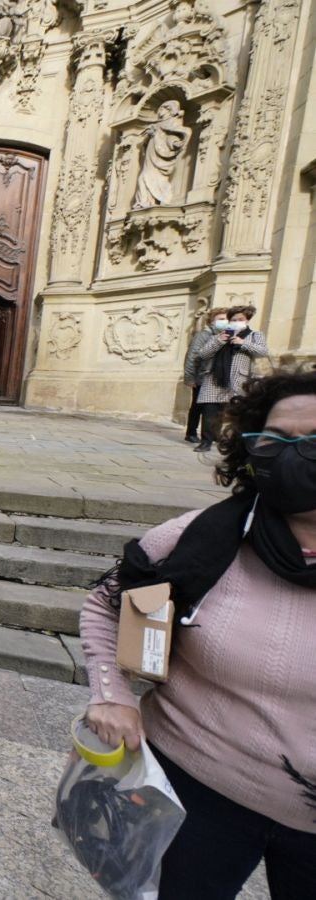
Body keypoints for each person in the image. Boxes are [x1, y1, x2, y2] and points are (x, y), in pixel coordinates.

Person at [81, 369, 316, 899]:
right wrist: (113, 695)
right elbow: (109, 604)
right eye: (275, 440)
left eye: (314, 441)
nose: (295, 454)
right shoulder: (201, 539)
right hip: (196, 784)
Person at [194, 304, 268, 453]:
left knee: (236, 413)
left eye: (240, 319)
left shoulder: (255, 335)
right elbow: (203, 354)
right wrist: (219, 340)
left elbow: (262, 351)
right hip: (215, 377)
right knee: (209, 410)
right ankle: (206, 441)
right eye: (233, 320)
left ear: (247, 320)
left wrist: (243, 343)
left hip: (238, 379)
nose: (236, 322)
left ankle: (234, 442)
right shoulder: (218, 336)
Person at [182, 307, 230, 443]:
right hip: (201, 376)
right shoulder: (204, 335)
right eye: (221, 319)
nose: (224, 322)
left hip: (218, 377)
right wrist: (190, 377)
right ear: (212, 321)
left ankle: (214, 433)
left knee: (218, 407)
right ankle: (191, 432)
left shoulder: (227, 335)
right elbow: (192, 356)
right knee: (198, 406)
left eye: (226, 319)